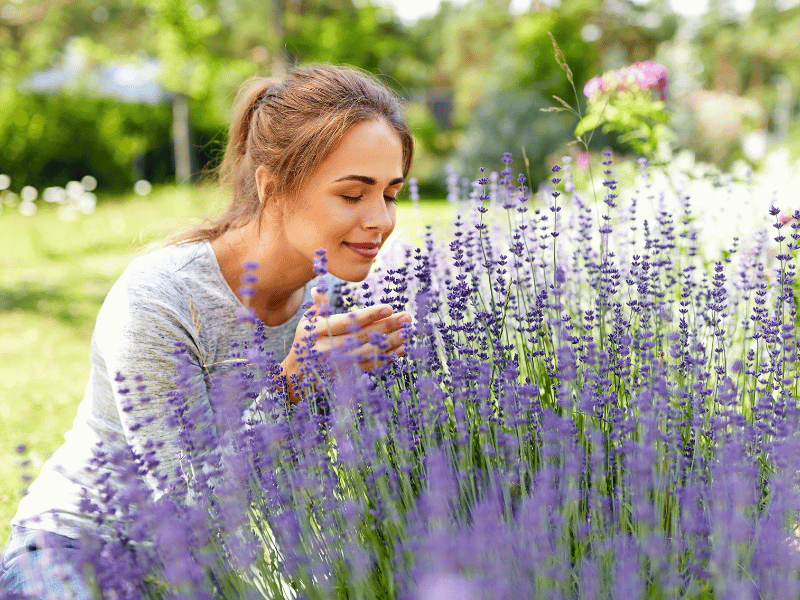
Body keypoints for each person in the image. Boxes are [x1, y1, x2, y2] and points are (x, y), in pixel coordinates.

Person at [0, 64, 414, 598]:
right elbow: (186, 511)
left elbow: (315, 480)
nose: (381, 219)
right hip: (80, 552)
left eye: (392, 194)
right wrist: (289, 388)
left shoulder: (332, 298)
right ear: (272, 185)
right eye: (354, 195)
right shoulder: (159, 300)